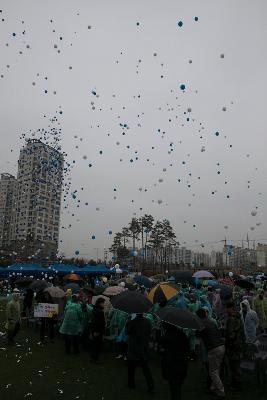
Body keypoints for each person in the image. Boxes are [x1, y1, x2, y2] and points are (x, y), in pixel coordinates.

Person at [196, 308, 225, 398]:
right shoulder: (211, 321)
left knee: (213, 371)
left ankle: (221, 391)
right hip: (221, 346)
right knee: (216, 369)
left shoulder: (201, 324)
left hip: (213, 349)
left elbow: (197, 335)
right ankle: (213, 388)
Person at [125, 313, 154, 393]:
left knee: (131, 368)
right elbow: (149, 332)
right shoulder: (147, 321)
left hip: (133, 348)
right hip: (143, 347)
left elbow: (126, 331)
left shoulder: (132, 322)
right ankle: (150, 384)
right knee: (145, 368)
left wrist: (128, 321)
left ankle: (131, 384)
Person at [160, 322, 189, 400]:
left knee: (174, 387)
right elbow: (187, 347)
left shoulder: (167, 336)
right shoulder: (182, 334)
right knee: (177, 386)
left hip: (171, 365)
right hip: (182, 363)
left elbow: (162, 347)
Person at [225, 302, 245, 391]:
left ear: (231, 308)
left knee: (234, 365)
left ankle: (237, 384)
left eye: (227, 308)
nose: (226, 310)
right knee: (235, 365)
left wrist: (225, 335)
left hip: (233, 346)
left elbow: (231, 335)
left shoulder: (231, 319)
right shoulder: (238, 317)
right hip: (238, 344)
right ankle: (234, 382)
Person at [90, 298, 106, 362]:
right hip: (98, 330)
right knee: (97, 345)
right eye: (103, 303)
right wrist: (97, 331)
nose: (104, 304)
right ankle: (95, 358)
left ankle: (93, 357)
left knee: (95, 344)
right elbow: (98, 322)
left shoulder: (95, 309)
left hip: (95, 330)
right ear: (100, 303)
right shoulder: (100, 312)